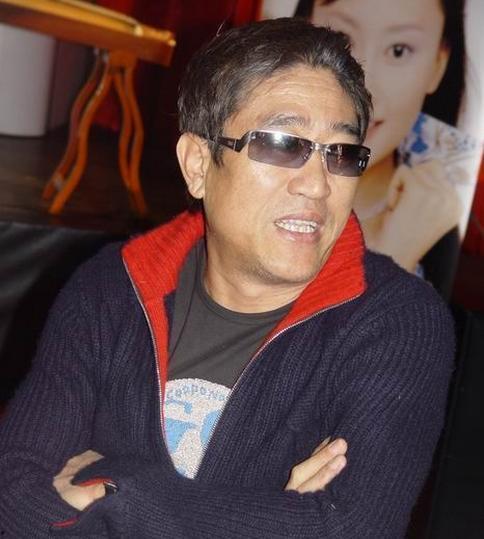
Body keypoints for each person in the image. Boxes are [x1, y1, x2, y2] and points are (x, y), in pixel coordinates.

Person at [0, 17, 454, 538]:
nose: (317, 184)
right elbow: (11, 489)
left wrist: (116, 488)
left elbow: (351, 529)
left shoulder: (398, 324)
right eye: (281, 144)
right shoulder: (110, 289)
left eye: (342, 153)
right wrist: (265, 517)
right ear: (198, 164)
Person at [295, 0, 467, 297]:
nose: (365, 88)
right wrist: (397, 253)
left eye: (398, 50)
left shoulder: (445, 218)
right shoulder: (249, 176)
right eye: (342, 39)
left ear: (438, 66)